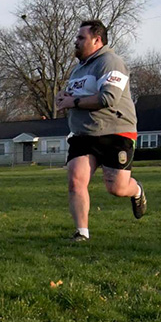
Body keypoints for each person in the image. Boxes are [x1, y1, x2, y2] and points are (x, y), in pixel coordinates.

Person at [55, 19, 146, 242]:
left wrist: (73, 102)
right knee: (76, 181)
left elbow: (108, 98)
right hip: (83, 135)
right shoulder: (78, 69)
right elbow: (73, 97)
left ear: (97, 40)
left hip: (115, 132)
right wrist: (63, 98)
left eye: (80, 38)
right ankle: (81, 233)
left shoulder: (111, 62)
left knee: (116, 187)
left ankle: (137, 191)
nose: (75, 42)